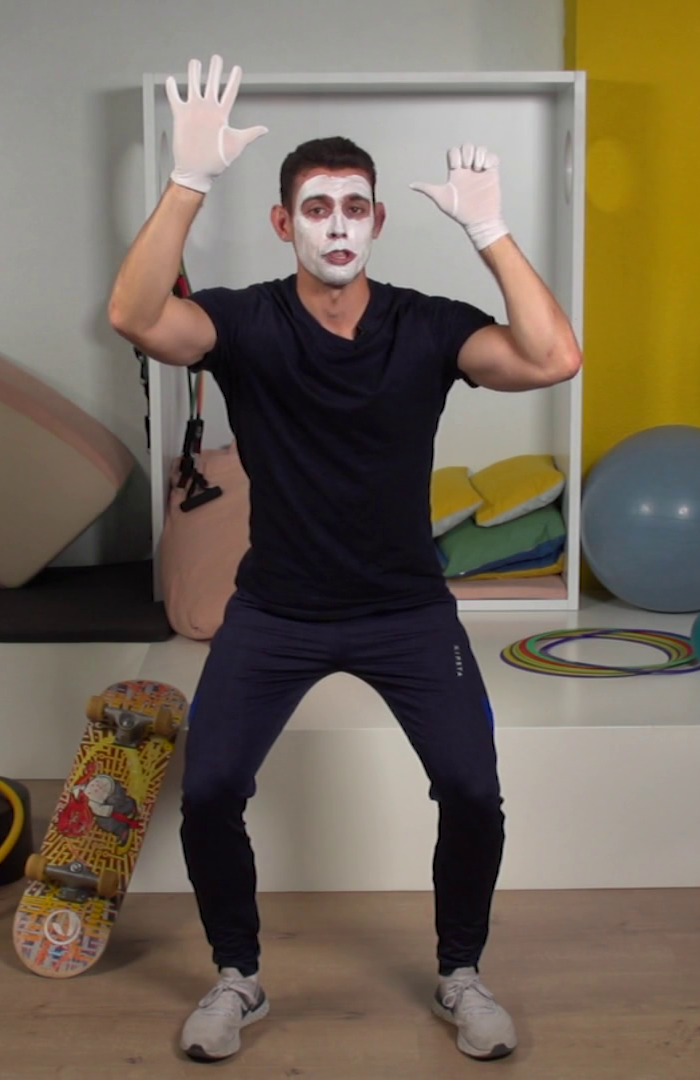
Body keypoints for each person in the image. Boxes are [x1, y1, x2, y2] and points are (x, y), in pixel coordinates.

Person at [107, 54, 581, 1064]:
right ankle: (237, 977)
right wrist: (187, 180)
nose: (336, 224)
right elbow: (135, 317)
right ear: (285, 222)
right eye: (316, 207)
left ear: (376, 223)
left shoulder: (427, 325)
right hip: (276, 609)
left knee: (472, 790)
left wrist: (491, 232)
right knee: (209, 792)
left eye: (354, 207)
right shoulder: (245, 321)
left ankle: (462, 974)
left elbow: (554, 357)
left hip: (406, 610)